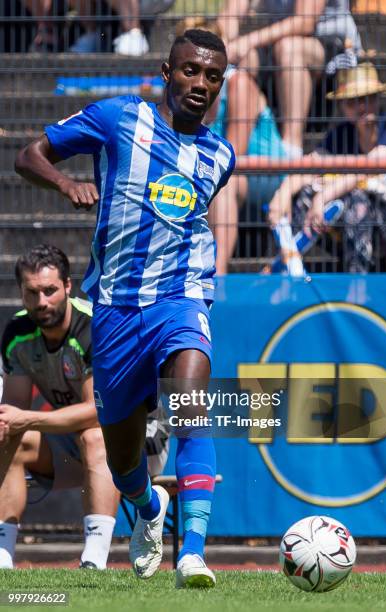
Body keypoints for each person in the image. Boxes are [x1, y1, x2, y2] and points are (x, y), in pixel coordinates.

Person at [15, 29, 235, 587]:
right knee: (124, 460)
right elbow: (28, 155)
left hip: (180, 298)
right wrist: (66, 183)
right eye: (190, 71)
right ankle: (148, 507)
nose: (200, 85)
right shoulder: (118, 119)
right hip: (114, 309)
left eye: (212, 77)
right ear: (166, 73)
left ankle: (192, 553)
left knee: (189, 404)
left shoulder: (220, 156)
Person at [0, 244, 169, 569]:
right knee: (11, 436)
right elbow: (15, 412)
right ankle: (3, 559)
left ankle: (94, 561)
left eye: (49, 291)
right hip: (73, 440)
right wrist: (12, 423)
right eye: (31, 293)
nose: (41, 302)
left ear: (67, 286)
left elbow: (97, 411)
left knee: (94, 436)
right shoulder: (16, 332)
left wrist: (27, 418)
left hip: (140, 438)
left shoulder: (94, 328)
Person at [267, 62, 386, 273]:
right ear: (343, 106)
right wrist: (282, 194)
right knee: (305, 193)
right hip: (355, 225)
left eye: (368, 98)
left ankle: (356, 283)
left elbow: (368, 166)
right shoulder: (341, 134)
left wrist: (323, 196)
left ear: (378, 99)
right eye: (353, 102)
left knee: (357, 197)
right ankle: (290, 266)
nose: (362, 107)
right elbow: (312, 163)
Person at [175, 18, 287, 275]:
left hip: (263, 174)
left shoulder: (238, 85)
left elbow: (231, 154)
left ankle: (218, 276)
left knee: (225, 186)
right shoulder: (187, 92)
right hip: (215, 171)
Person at [218, 0, 362, 157]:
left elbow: (304, 22)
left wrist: (247, 41)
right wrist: (224, 43)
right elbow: (231, 15)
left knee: (288, 49)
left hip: (331, 44)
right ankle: (241, 146)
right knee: (246, 57)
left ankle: (291, 150)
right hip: (276, 42)